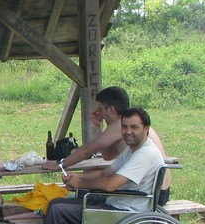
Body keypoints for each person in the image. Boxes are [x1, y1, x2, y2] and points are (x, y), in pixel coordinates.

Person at [10, 107, 164, 224]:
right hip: (116, 204)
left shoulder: (145, 154)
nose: (128, 132)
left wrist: (81, 183)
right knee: (56, 203)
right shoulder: (133, 150)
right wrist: (77, 178)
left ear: (146, 129)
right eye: (124, 127)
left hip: (126, 212)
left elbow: (111, 184)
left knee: (60, 211)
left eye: (134, 127)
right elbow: (105, 173)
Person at [41, 86, 171, 204]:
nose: (99, 113)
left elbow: (87, 150)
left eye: (100, 109)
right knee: (84, 193)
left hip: (150, 194)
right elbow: (108, 156)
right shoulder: (130, 125)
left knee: (84, 195)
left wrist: (60, 164)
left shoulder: (120, 126)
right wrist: (98, 127)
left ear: (111, 110)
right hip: (159, 189)